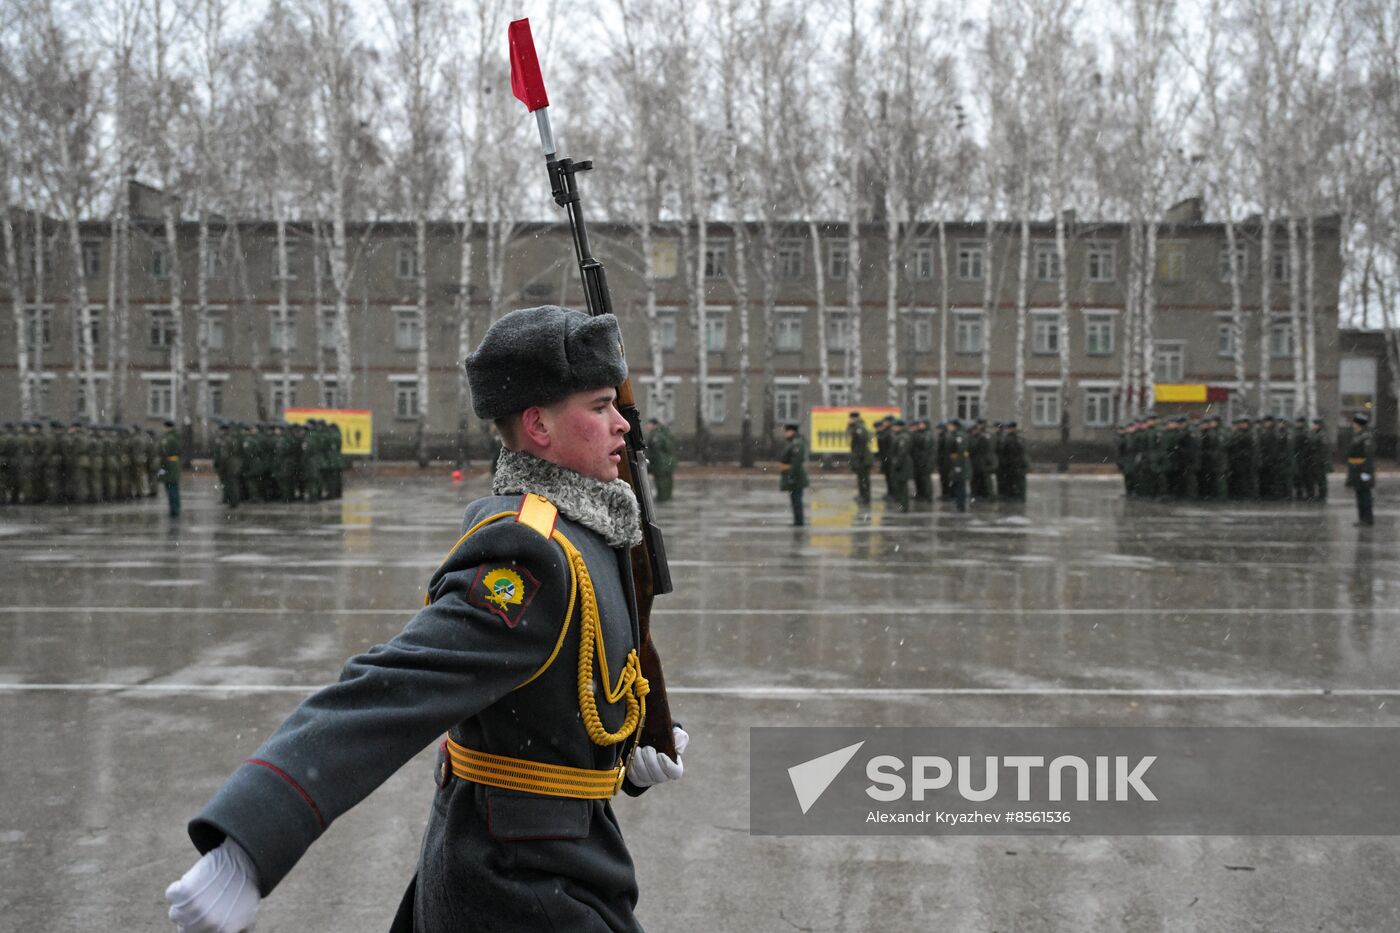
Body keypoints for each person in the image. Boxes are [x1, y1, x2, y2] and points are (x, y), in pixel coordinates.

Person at [165, 305, 688, 933]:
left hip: (564, 863)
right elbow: (389, 690)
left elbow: (560, 696)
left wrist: (626, 747)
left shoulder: (594, 532)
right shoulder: (531, 555)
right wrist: (249, 842)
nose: (623, 425)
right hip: (517, 888)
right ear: (538, 425)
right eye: (601, 406)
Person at [1345, 412, 1376, 527]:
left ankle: (1367, 519)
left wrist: (1365, 472)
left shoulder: (1366, 437)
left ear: (1359, 424)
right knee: (1360, 495)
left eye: (1354, 423)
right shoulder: (1358, 435)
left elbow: (1368, 457)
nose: (1353, 425)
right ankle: (1362, 518)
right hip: (1356, 470)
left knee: (1365, 495)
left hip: (1363, 470)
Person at [780, 421, 809, 526]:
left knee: (796, 500)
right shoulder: (793, 442)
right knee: (794, 500)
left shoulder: (797, 444)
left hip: (796, 476)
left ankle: (799, 521)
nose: (785, 433)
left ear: (792, 432)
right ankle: (797, 520)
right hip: (792, 474)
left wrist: (791, 475)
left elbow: (796, 462)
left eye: (786, 431)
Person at [646, 417, 676, 502]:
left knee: (661, 482)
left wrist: (650, 461)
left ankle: (662, 499)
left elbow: (656, 451)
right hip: (667, 462)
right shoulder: (664, 433)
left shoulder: (656, 435)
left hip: (660, 463)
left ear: (653, 424)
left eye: (648, 424)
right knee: (667, 481)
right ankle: (667, 498)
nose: (647, 426)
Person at [847, 411, 872, 505]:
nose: (849, 420)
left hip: (863, 458)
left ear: (855, 418)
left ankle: (866, 497)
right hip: (860, 457)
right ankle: (862, 495)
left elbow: (863, 442)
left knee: (864, 478)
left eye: (851, 418)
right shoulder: (856, 427)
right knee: (861, 478)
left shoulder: (860, 428)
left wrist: (858, 457)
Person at [158, 419, 181, 517]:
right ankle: (176, 507)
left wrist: (161, 468)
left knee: (171, 487)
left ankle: (174, 509)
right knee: (174, 487)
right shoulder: (176, 437)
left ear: (167, 427)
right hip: (174, 463)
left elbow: (164, 452)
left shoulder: (168, 439)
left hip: (168, 464)